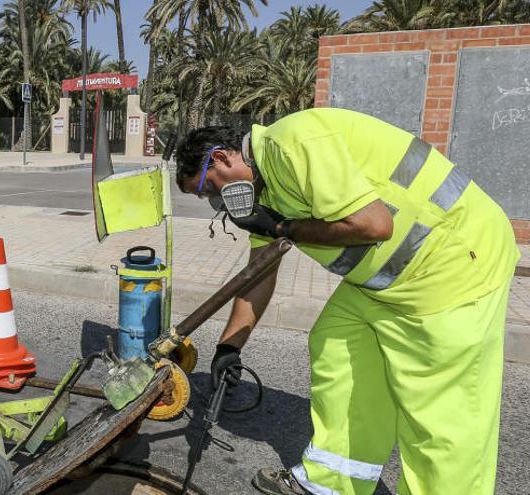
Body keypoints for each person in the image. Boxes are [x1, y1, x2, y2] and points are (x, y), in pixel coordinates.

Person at [174, 108, 518, 495]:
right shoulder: (265, 191)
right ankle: (331, 482)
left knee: (442, 417)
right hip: (387, 284)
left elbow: (373, 225)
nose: (217, 203)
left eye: (210, 190)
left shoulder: (294, 142)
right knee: (337, 344)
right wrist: (229, 346)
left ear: (221, 158)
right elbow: (259, 273)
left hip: (453, 267)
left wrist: (284, 228)